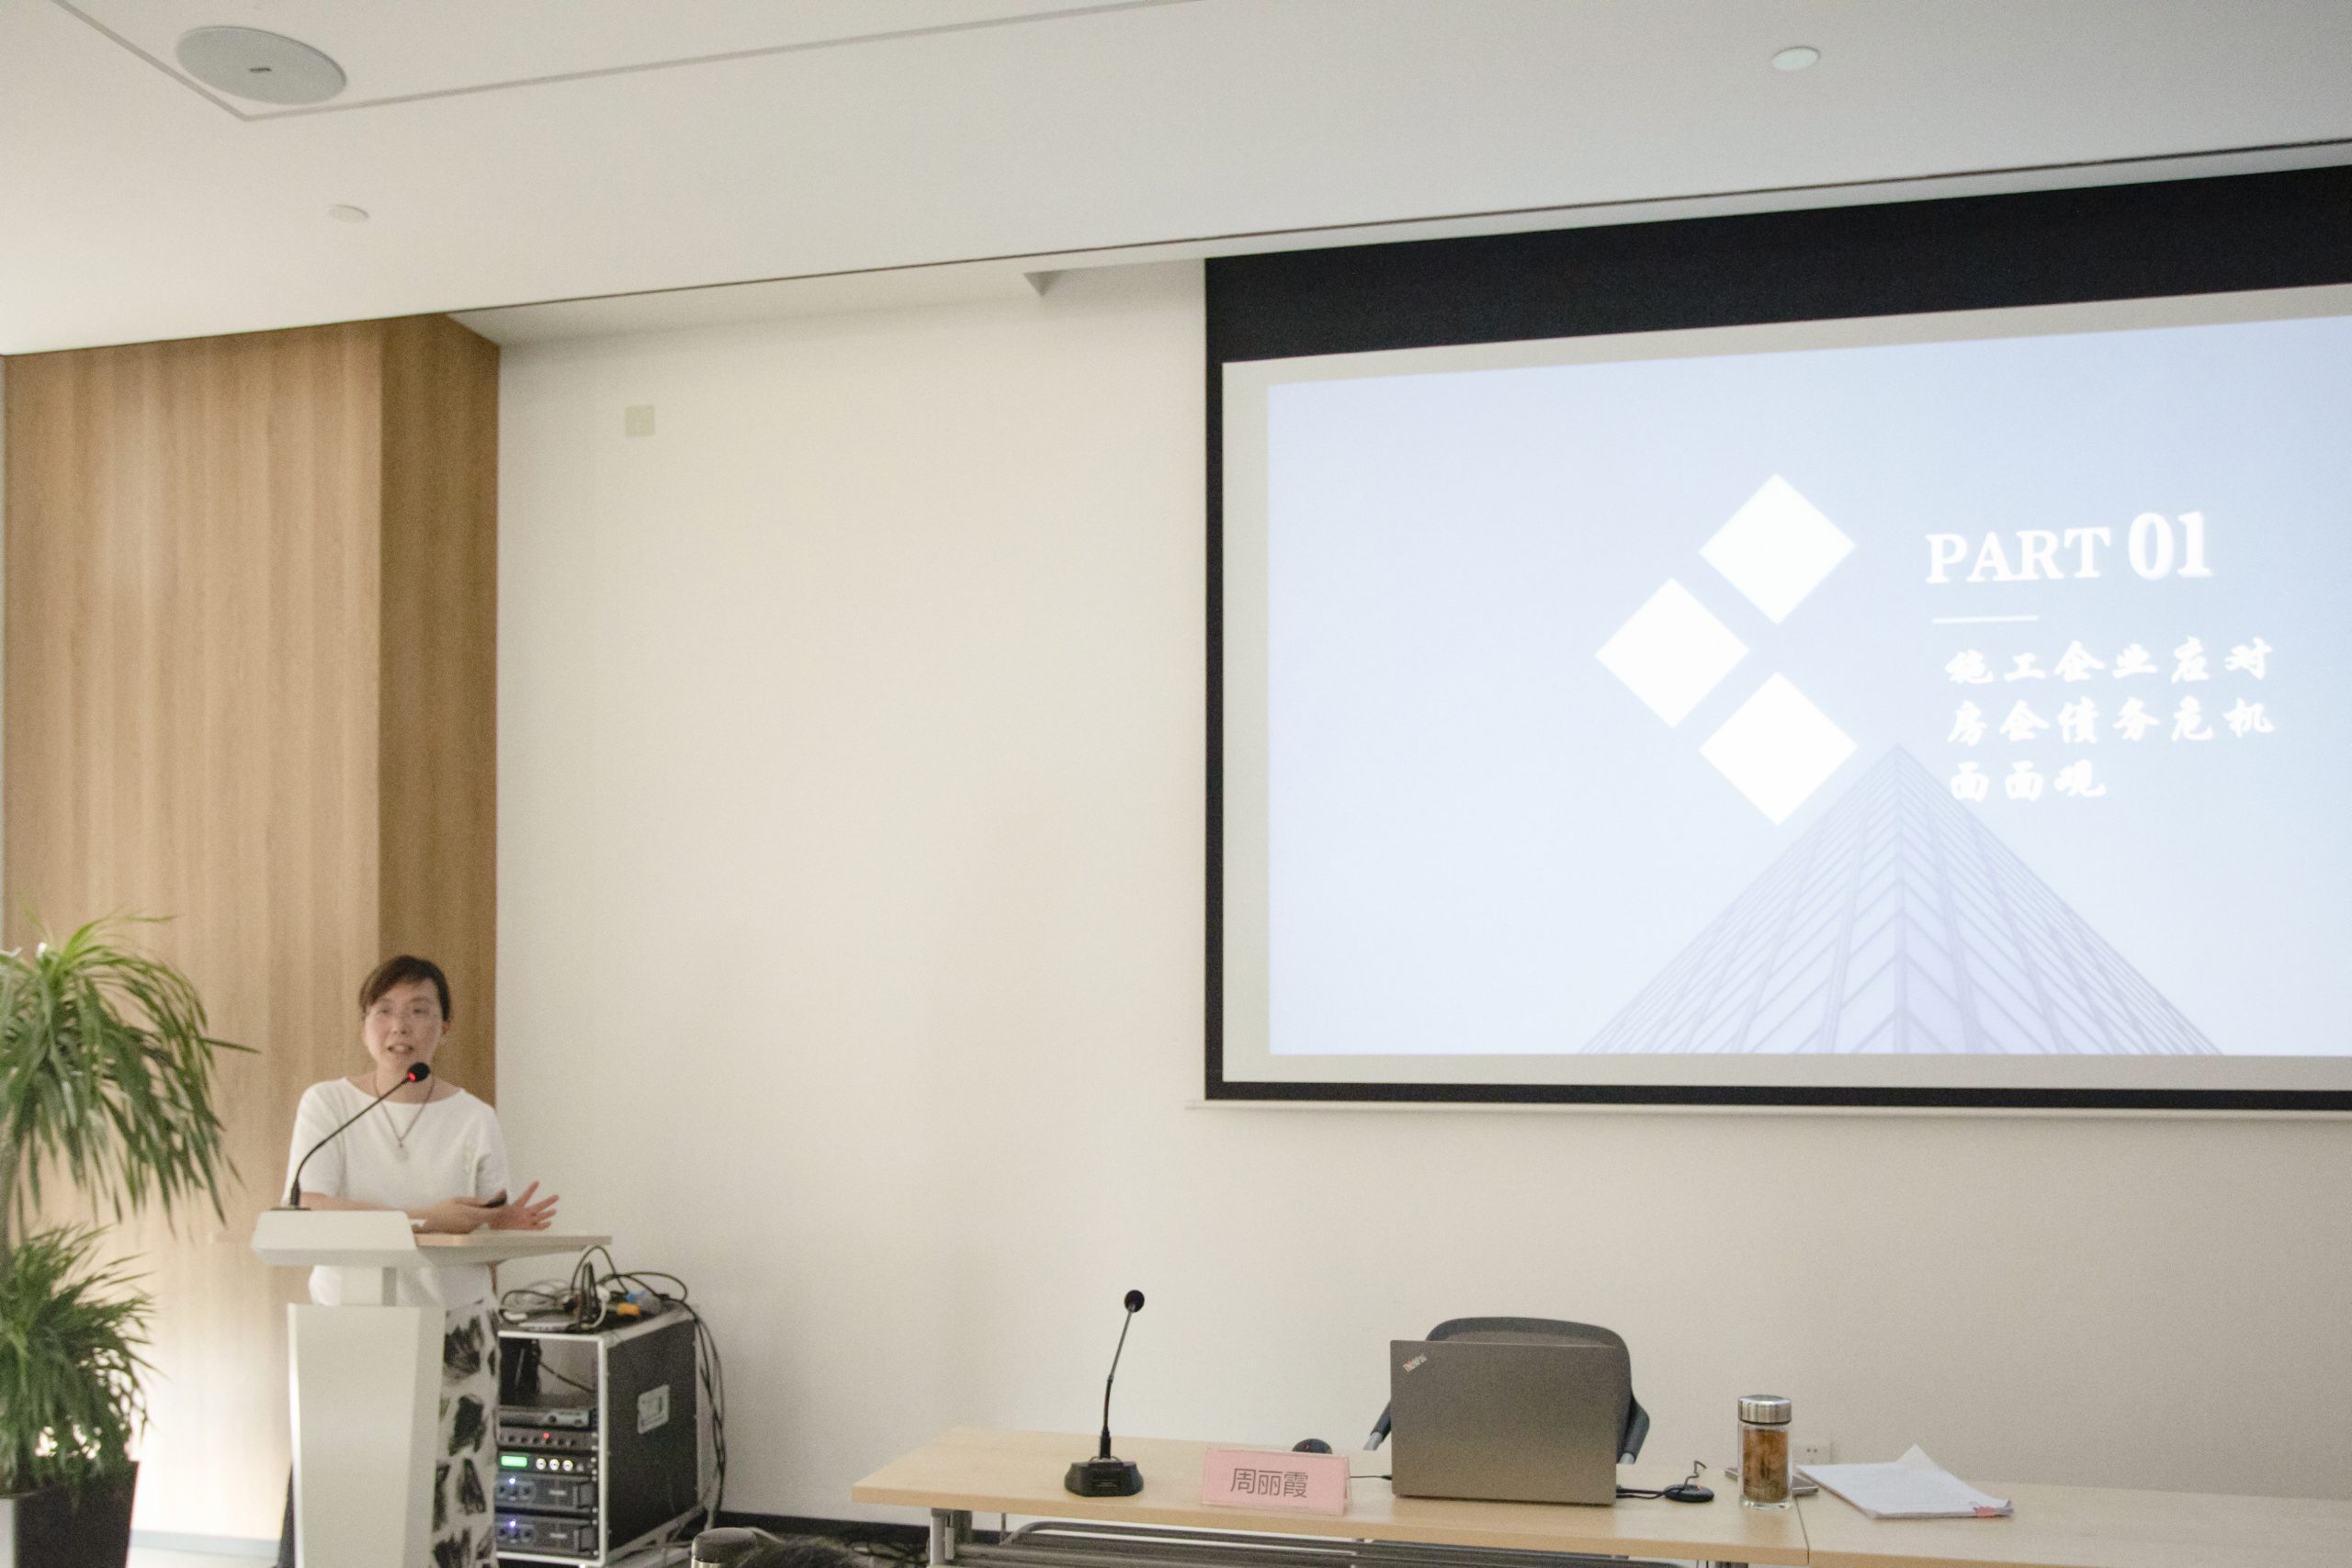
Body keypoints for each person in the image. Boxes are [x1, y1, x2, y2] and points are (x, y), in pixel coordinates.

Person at [277, 955, 560, 1568]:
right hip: (350, 1324)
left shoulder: (474, 1117)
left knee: (453, 1494)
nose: (398, 1025)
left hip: (453, 1327)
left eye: (418, 1010)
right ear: (364, 1025)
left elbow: (485, 1217)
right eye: (383, 1010)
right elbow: (311, 1202)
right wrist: (427, 1218)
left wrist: (496, 1224)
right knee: (350, 1489)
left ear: (444, 1026)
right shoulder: (329, 1104)